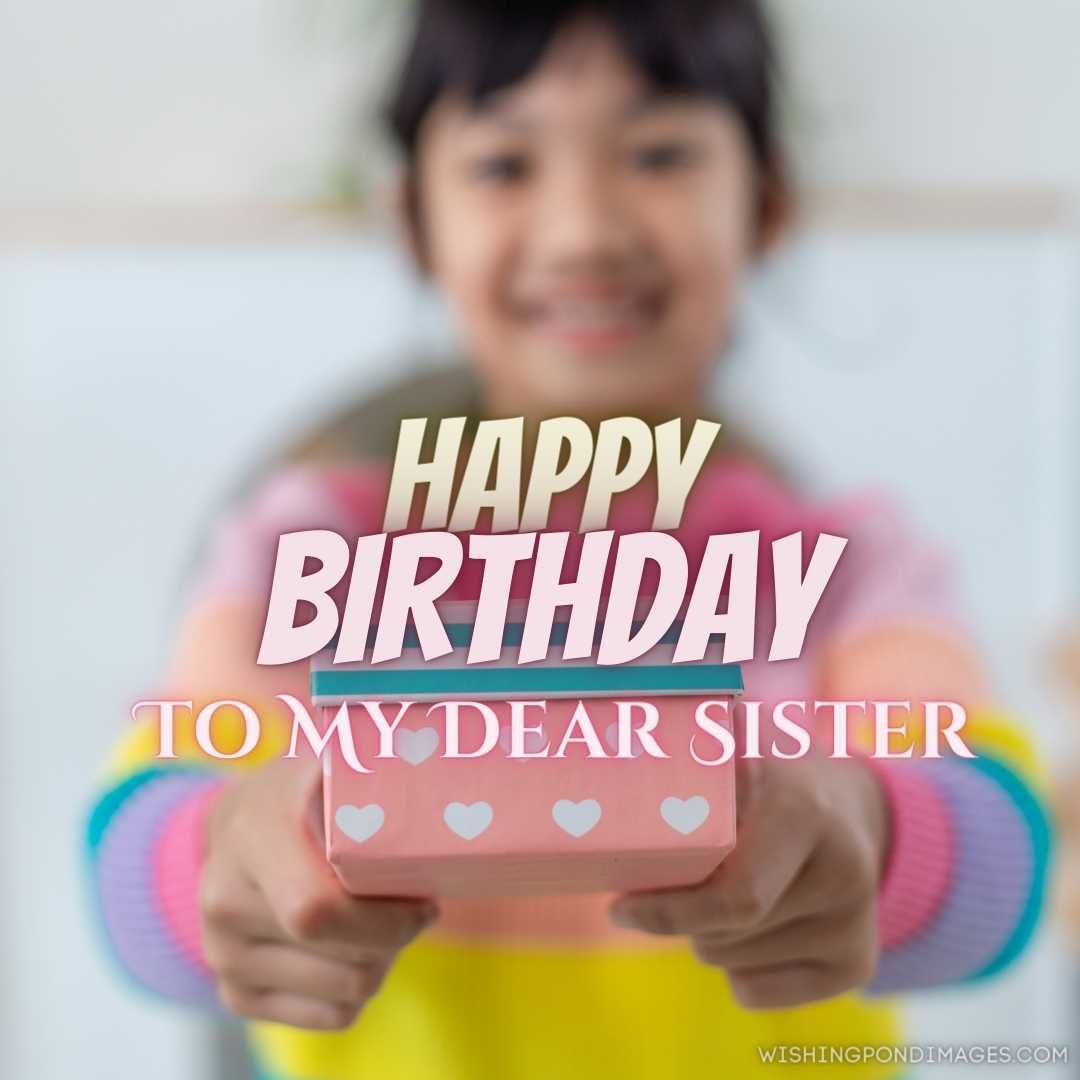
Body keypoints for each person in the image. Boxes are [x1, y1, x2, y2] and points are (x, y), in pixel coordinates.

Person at [85, 2, 1053, 1077]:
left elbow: (1003, 847)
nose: (584, 230)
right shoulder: (302, 551)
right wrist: (218, 855)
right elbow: (137, 868)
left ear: (767, 203)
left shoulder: (854, 568)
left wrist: (877, 834)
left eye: (659, 152)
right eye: (503, 164)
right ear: (413, 221)